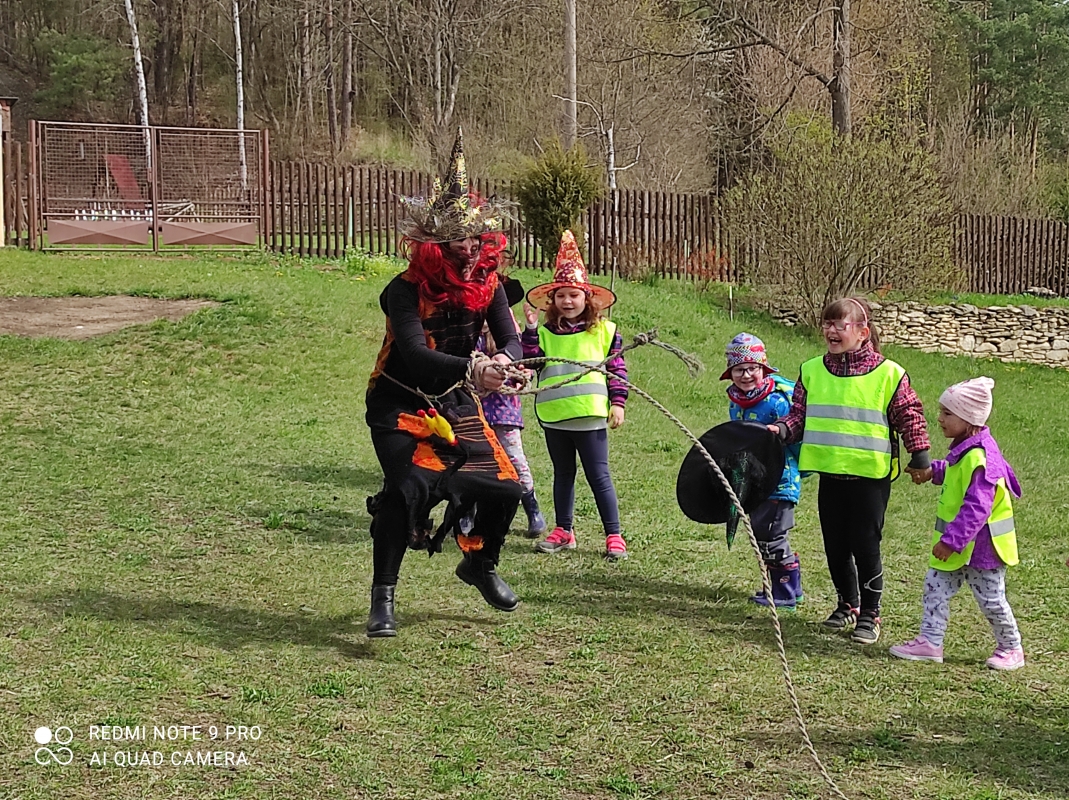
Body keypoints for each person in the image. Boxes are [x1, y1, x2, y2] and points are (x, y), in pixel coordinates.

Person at [363, 129, 523, 638]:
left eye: (476, 239)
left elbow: (511, 339)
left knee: (506, 487)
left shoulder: (490, 285)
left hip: (455, 402)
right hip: (399, 403)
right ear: (434, 245)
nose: (470, 249)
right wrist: (473, 368)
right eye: (459, 240)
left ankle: (480, 563)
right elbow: (414, 354)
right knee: (407, 489)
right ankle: (383, 597)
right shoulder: (404, 290)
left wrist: (505, 362)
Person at [770, 296, 930, 645]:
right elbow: (799, 416)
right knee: (836, 547)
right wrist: (782, 430)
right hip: (830, 475)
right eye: (826, 324)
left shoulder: (889, 374)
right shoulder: (811, 370)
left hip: (869, 478)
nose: (830, 330)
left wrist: (919, 453)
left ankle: (871, 614)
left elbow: (910, 415)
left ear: (862, 332)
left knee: (865, 546)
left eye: (838, 325)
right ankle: (848, 605)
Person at [889, 377, 1025, 670]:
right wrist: (932, 471)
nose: (939, 418)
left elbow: (977, 508)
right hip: (959, 547)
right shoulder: (966, 449)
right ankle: (930, 642)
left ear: (970, 419)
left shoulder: (981, 458)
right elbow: (954, 471)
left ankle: (1011, 648)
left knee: (991, 600)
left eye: (948, 413)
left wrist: (950, 541)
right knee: (935, 588)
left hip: (983, 549)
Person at [522, 230, 630, 560]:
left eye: (574, 295)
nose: (568, 301)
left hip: (590, 418)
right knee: (563, 475)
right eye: (561, 296)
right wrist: (529, 331)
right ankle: (564, 530)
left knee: (599, 476)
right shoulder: (544, 333)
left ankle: (614, 535)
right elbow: (531, 363)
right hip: (555, 418)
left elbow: (617, 370)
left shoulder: (605, 332)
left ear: (587, 298)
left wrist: (618, 403)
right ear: (552, 300)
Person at [722, 333, 803, 609]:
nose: (746, 375)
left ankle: (785, 593)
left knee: (771, 534)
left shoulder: (778, 401)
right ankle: (790, 588)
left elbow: (795, 434)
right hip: (755, 480)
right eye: (739, 369)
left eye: (752, 368)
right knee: (761, 531)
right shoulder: (736, 401)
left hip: (780, 480)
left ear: (763, 368)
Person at [471, 278, 548, 538]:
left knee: (515, 461)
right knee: (473, 463)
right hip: (473, 412)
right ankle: (467, 513)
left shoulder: (507, 338)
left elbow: (525, 362)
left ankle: (532, 509)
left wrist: (517, 374)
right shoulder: (466, 339)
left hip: (504, 413)